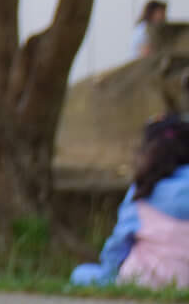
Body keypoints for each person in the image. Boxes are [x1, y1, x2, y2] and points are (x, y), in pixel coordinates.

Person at [71, 115, 189, 291]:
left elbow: (119, 243)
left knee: (81, 273)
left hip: (142, 282)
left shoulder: (143, 191)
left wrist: (108, 274)